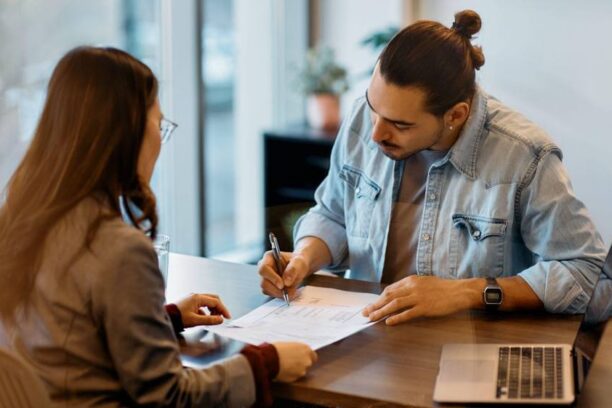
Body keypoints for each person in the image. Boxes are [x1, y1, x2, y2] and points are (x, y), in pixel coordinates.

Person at [0, 46, 316, 407]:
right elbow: (169, 397)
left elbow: (65, 339)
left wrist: (163, 319)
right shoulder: (118, 249)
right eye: (159, 124)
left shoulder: (19, 221)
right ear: (127, 133)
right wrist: (267, 361)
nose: (160, 142)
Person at [259, 10, 607, 326]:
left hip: (468, 351)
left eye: (400, 124)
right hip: (363, 337)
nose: (376, 132)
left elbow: (585, 273)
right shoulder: (363, 120)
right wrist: (302, 259)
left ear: (455, 115)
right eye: (373, 107)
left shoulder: (524, 155)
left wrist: (464, 293)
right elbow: (334, 215)